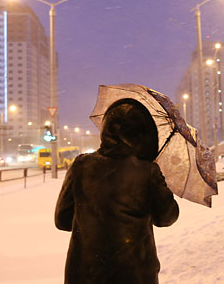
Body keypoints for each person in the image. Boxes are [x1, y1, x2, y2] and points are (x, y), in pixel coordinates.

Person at [55, 98, 179, 284]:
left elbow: (63, 220)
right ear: (141, 134)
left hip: (85, 275)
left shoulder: (81, 166)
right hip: (135, 275)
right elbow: (166, 218)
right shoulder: (147, 171)